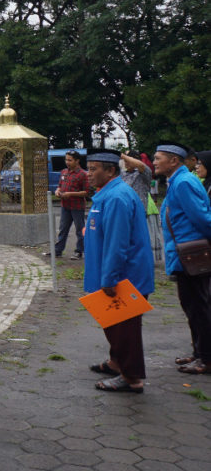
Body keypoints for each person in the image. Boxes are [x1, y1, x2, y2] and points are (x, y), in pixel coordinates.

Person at [82, 149, 155, 393]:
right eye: (88, 169)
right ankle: (116, 363)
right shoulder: (107, 194)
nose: (89, 174)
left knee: (125, 330)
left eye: (93, 169)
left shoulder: (116, 198)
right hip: (110, 274)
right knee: (113, 323)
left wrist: (110, 278)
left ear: (111, 170)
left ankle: (131, 377)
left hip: (123, 277)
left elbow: (117, 243)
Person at [154, 141, 211, 374]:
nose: (154, 162)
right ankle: (199, 352)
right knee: (191, 306)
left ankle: (206, 358)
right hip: (182, 255)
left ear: (174, 161)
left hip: (192, 255)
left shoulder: (184, 182)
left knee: (199, 307)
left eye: (158, 158)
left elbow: (203, 218)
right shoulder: (177, 181)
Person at [49, 150, 90, 260]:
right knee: (63, 229)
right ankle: (58, 250)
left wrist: (70, 194)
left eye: (70, 160)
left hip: (77, 207)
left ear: (77, 161)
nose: (67, 162)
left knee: (79, 230)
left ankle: (79, 251)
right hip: (65, 206)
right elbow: (59, 186)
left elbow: (86, 192)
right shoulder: (64, 172)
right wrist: (57, 191)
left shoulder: (82, 174)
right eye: (66, 159)